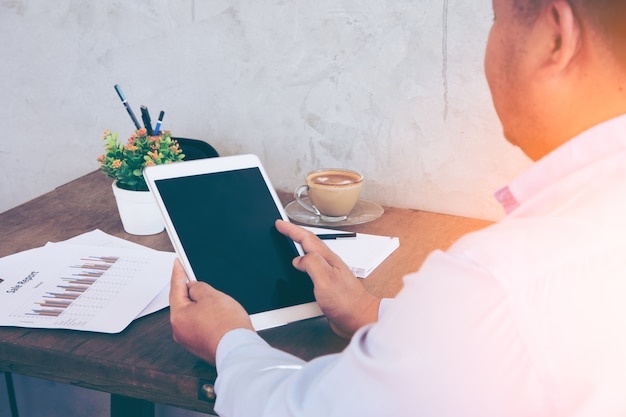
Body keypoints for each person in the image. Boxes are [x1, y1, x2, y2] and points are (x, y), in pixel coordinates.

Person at [169, 0, 626, 415]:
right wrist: (369, 310)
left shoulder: (499, 280)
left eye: (495, 18)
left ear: (556, 38)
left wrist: (228, 342)